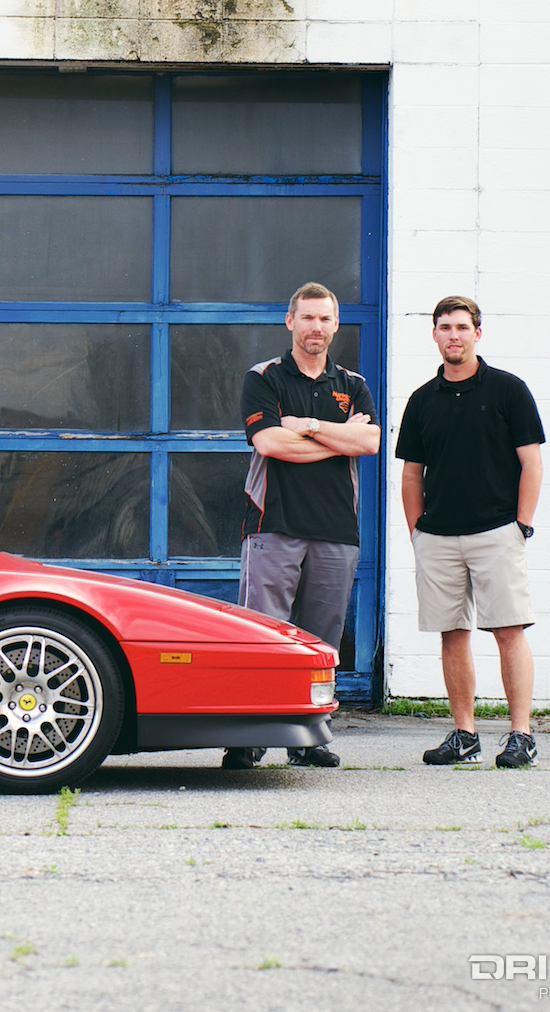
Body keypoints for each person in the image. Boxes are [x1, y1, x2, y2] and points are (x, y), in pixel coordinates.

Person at [224, 281, 379, 770]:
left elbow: (370, 442)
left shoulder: (352, 384)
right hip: (274, 525)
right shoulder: (265, 377)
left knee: (320, 641)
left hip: (336, 530)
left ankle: (308, 737)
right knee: (262, 634)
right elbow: (270, 443)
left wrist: (308, 426)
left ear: (336, 324)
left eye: (325, 319)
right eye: (307, 318)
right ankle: (249, 737)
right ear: (290, 322)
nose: (316, 327)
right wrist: (339, 438)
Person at [396, 296, 546, 769]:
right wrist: (417, 532)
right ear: (435, 335)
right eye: (445, 327)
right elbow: (410, 474)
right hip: (438, 537)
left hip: (496, 531)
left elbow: (531, 462)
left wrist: (520, 524)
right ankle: (465, 735)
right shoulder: (422, 399)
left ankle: (521, 735)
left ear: (477, 333)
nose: (453, 335)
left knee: (508, 631)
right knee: (452, 634)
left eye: (462, 326)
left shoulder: (508, 390)